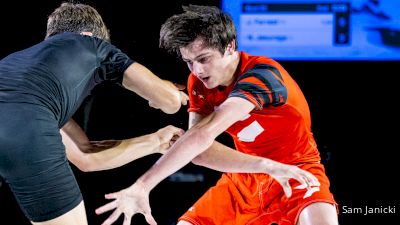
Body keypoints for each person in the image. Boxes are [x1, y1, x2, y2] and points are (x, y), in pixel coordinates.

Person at [95, 5, 338, 225]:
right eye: (189, 62)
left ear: (230, 46)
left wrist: (144, 185)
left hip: (297, 169)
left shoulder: (262, 74)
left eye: (203, 59)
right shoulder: (198, 83)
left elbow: (202, 134)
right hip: (245, 176)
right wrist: (264, 166)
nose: (197, 70)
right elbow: (199, 151)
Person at [0, 2, 188, 225]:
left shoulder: (21, 72)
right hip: (25, 132)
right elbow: (170, 102)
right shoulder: (94, 45)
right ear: (89, 35)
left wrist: (156, 141)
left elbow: (85, 156)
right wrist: (162, 93)